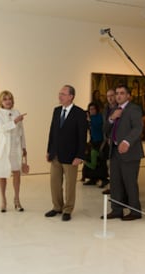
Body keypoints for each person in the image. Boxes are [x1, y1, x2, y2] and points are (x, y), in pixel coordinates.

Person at [102, 84, 144, 221]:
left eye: (121, 93)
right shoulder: (114, 110)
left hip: (130, 153)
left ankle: (135, 211)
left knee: (129, 183)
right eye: (117, 93)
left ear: (128, 96)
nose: (118, 96)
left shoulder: (134, 109)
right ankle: (117, 210)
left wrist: (127, 141)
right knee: (115, 183)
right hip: (114, 152)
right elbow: (106, 129)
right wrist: (111, 118)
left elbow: (137, 128)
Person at [45, 85, 88, 222]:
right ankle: (57, 207)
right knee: (54, 183)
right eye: (59, 93)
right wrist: (49, 150)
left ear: (71, 96)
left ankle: (67, 209)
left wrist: (80, 155)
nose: (60, 96)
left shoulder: (80, 113)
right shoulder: (56, 111)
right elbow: (52, 132)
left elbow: (82, 136)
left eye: (63, 94)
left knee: (70, 185)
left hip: (71, 156)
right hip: (55, 154)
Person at [0, 90, 27, 213]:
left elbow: (21, 132)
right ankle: (3, 201)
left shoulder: (17, 112)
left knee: (17, 173)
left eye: (9, 98)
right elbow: (1, 128)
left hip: (15, 147)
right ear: (1, 101)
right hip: (3, 148)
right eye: (5, 99)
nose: (7, 101)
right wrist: (15, 121)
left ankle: (17, 199)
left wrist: (24, 147)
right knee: (2, 174)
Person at [101, 88, 117, 193]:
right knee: (109, 165)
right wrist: (106, 138)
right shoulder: (106, 109)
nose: (110, 98)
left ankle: (115, 188)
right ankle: (112, 187)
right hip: (107, 140)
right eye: (108, 96)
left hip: (116, 141)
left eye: (112, 95)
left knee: (115, 167)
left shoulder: (120, 109)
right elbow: (105, 125)